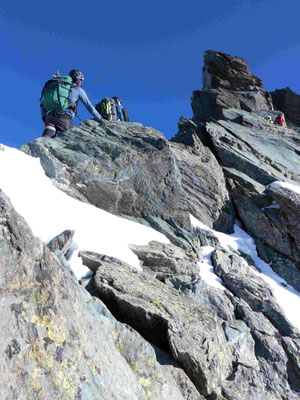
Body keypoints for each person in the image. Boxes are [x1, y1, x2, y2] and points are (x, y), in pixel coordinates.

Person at [41, 69, 102, 138]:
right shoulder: (78, 90)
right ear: (79, 81)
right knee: (69, 141)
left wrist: (44, 116)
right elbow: (89, 106)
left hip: (50, 116)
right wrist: (100, 119)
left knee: (46, 138)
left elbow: (42, 103)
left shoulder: (58, 86)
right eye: (81, 81)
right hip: (64, 118)